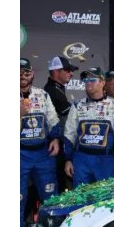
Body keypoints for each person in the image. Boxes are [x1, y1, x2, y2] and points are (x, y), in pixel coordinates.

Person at [20, 58, 61, 227]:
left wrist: (55, 138)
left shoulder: (42, 95)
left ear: (32, 74)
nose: (22, 76)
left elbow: (53, 121)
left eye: (26, 72)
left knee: (51, 198)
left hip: (43, 153)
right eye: (18, 71)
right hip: (19, 153)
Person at [63, 68, 114, 187]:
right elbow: (69, 134)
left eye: (92, 79)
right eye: (86, 79)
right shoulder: (77, 105)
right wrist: (68, 159)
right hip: (81, 159)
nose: (88, 82)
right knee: (80, 200)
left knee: (105, 200)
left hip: (105, 160)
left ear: (103, 83)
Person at [44, 56, 78, 193]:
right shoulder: (52, 91)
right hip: (56, 147)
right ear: (56, 72)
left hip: (59, 146)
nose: (71, 73)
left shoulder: (57, 88)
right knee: (60, 183)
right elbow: (72, 115)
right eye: (68, 70)